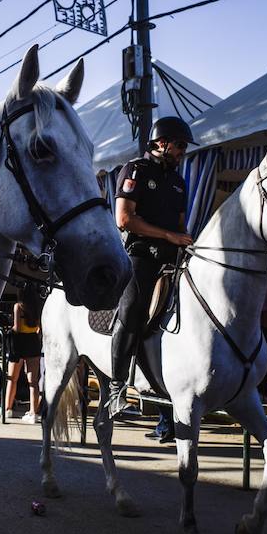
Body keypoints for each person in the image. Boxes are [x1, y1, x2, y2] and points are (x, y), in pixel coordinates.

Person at [107, 117, 193, 419]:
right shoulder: (135, 171)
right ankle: (117, 389)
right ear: (161, 142)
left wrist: (185, 242)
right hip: (140, 256)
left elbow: (181, 226)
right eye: (180, 145)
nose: (183, 151)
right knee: (132, 312)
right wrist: (168, 235)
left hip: (173, 258)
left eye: (184, 146)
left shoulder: (179, 182)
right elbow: (124, 219)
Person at [0, 283, 44, 423]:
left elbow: (16, 327)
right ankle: (33, 413)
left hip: (19, 343)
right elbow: (38, 328)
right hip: (33, 342)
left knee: (12, 378)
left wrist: (9, 331)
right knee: (33, 381)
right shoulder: (36, 308)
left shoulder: (18, 307)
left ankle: (7, 408)